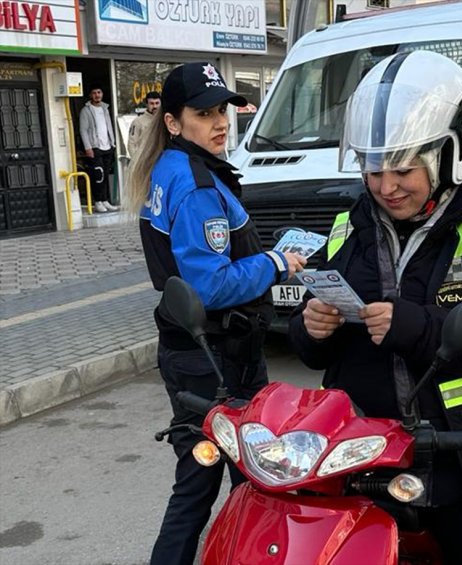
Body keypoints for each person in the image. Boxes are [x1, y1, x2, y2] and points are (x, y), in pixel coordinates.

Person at [288, 51, 462, 564]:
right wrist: (311, 328)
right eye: (373, 169)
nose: (387, 187)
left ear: (448, 152)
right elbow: (315, 347)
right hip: (364, 451)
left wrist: (417, 326)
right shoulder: (350, 224)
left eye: (403, 169)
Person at [126, 62, 306, 565]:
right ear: (174, 123)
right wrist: (274, 262)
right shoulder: (198, 183)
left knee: (205, 483)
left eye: (223, 109)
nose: (220, 121)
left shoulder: (169, 169)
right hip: (219, 358)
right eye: (204, 113)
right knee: (248, 485)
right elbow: (210, 284)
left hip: (195, 352)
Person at [79, 85, 118, 213]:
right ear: (90, 95)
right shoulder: (86, 110)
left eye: (99, 92)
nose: (97, 95)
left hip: (107, 146)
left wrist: (113, 143)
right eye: (94, 92)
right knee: (98, 176)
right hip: (95, 147)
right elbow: (83, 130)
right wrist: (88, 147)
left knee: (105, 174)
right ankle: (98, 202)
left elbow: (109, 126)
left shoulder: (105, 108)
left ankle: (105, 200)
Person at [128, 90, 161, 159]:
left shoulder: (165, 120)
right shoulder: (138, 122)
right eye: (151, 103)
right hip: (145, 161)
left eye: (157, 103)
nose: (154, 106)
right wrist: (136, 162)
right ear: (147, 104)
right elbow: (131, 144)